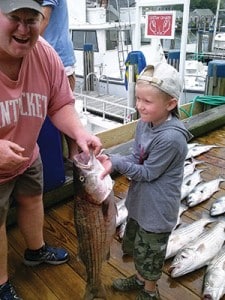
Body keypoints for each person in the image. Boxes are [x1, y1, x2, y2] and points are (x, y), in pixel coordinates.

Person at [0, 1, 102, 300]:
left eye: (31, 19)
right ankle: (2, 285)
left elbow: (60, 103)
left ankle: (36, 250)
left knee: (33, 199)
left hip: (27, 153)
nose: (23, 28)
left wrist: (79, 132)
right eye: (13, 18)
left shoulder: (44, 52)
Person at [98, 62, 193, 300]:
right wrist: (113, 160)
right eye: (138, 98)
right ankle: (140, 279)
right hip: (140, 204)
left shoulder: (171, 138)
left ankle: (150, 292)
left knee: (151, 253)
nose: (139, 105)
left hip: (158, 211)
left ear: (170, 104)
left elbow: (148, 172)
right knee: (140, 249)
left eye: (147, 101)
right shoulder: (143, 124)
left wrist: (115, 162)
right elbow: (136, 156)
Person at [39, 0, 77, 159]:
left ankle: (75, 159)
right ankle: (61, 159)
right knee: (52, 115)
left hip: (59, 59)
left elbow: (43, 19)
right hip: (46, 57)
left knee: (64, 109)